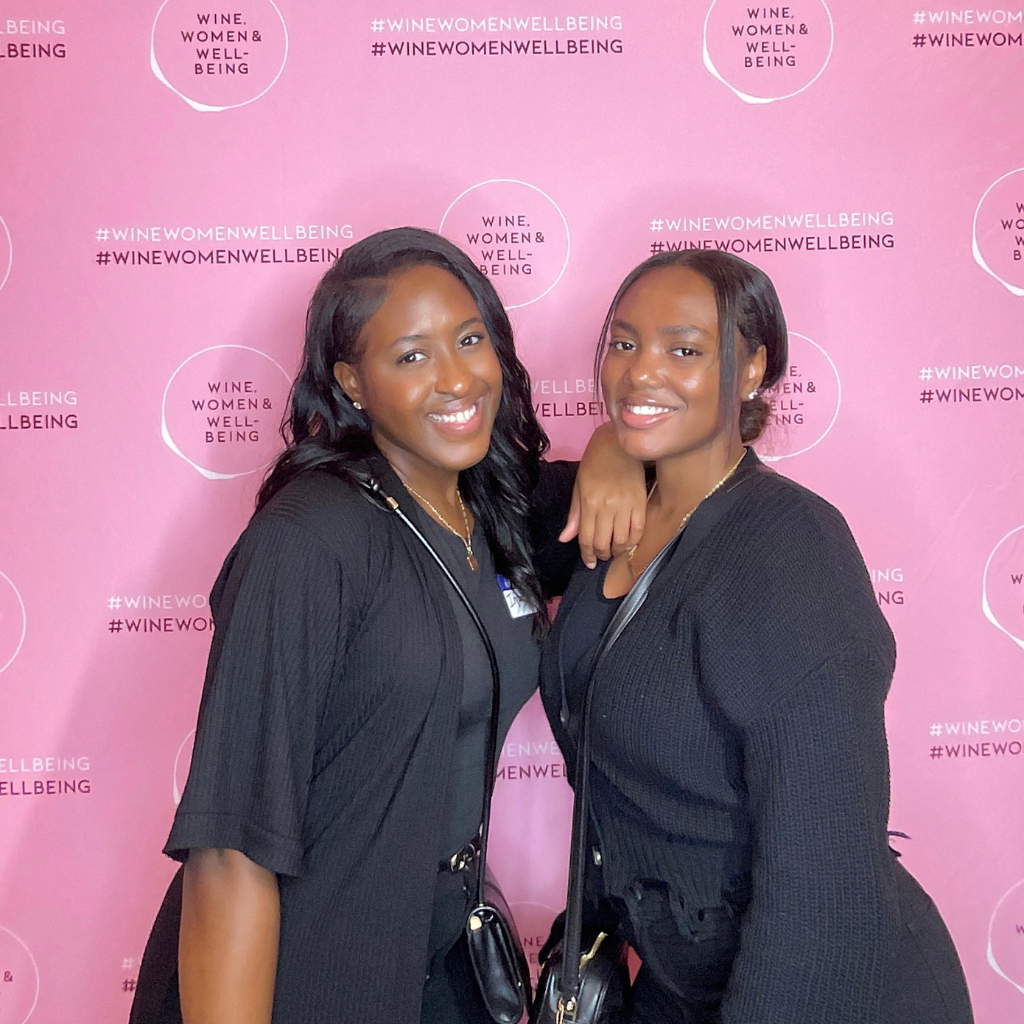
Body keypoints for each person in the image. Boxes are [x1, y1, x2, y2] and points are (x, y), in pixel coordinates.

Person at [131, 227, 645, 1024]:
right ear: (352, 381)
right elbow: (230, 853)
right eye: (411, 356)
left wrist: (614, 444)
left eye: (470, 339)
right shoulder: (309, 541)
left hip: (443, 965)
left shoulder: (489, 509)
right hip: (308, 968)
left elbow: (640, 487)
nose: (456, 377)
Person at [539, 250, 974, 1024]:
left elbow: (824, 882)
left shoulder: (790, 548)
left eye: (684, 349)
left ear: (750, 368)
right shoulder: (605, 516)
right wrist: (604, 454)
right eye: (624, 343)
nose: (641, 373)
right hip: (677, 981)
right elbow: (465, 487)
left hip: (821, 985)